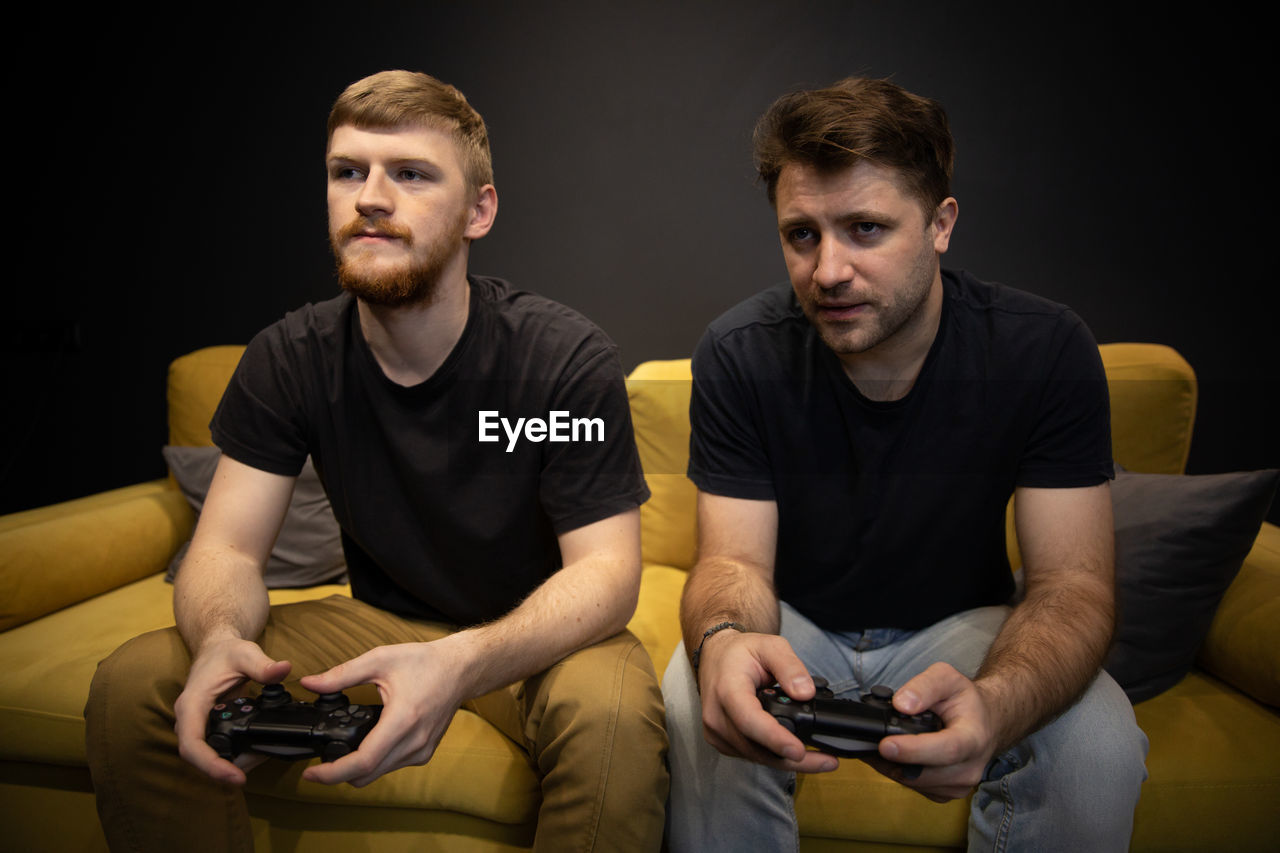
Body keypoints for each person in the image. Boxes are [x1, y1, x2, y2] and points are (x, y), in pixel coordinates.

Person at [84, 70, 668, 852]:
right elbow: (226, 547)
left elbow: (606, 573)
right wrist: (222, 636)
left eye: (412, 174)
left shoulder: (561, 358)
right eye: (347, 172)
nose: (370, 197)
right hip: (375, 625)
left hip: (532, 641)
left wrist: (460, 661)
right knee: (136, 682)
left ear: (478, 210)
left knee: (618, 719)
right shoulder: (289, 357)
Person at [662, 77, 1148, 851]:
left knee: (1099, 745)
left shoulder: (1043, 349)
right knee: (695, 698)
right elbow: (732, 565)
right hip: (798, 625)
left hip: (963, 629)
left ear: (940, 224)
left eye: (865, 228)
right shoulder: (739, 351)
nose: (827, 271)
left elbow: (1074, 585)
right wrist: (722, 638)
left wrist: (998, 702)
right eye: (802, 234)